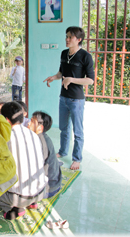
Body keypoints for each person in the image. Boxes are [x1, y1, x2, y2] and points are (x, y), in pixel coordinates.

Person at [43, 26, 94, 170]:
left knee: (77, 131)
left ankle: (77, 158)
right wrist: (54, 77)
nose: (67, 39)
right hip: (63, 98)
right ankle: (63, 151)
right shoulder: (64, 53)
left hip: (76, 99)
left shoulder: (85, 56)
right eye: (66, 36)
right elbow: (61, 73)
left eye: (70, 37)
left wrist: (71, 79)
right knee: (63, 128)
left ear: (79, 40)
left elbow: (90, 80)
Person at [0, 101, 47, 220]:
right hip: (41, 191)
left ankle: (12, 208)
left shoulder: (5, 138)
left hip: (19, 196)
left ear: (6, 120)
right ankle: (32, 203)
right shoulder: (34, 135)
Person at [28, 111, 63, 198]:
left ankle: (33, 200)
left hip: (48, 189)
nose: (28, 123)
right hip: (55, 183)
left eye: (32, 121)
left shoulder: (39, 142)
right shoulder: (42, 137)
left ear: (40, 128)